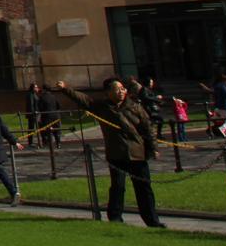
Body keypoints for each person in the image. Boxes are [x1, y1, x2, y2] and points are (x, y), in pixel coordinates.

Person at [53, 79, 163, 229]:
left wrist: (154, 148)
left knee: (144, 189)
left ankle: (152, 220)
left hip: (137, 153)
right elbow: (85, 100)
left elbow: (147, 129)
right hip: (116, 154)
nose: (121, 91)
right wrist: (66, 89)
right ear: (108, 92)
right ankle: (115, 218)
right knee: (117, 187)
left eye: (123, 88)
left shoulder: (135, 107)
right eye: (117, 89)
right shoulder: (103, 107)